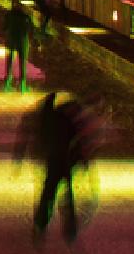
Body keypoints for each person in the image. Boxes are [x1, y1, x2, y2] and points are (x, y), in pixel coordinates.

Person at [13, 92, 104, 245]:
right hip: (62, 159)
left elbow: (28, 132)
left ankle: (46, 226)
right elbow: (82, 140)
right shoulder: (72, 115)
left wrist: (19, 157)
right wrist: (85, 162)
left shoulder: (54, 114)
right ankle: (66, 229)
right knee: (60, 191)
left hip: (57, 158)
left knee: (51, 191)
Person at [2, 0, 31, 92]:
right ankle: (22, 83)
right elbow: (30, 29)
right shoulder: (25, 17)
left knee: (10, 59)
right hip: (22, 41)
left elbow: (4, 27)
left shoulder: (9, 15)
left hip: (11, 40)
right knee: (22, 61)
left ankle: (8, 81)